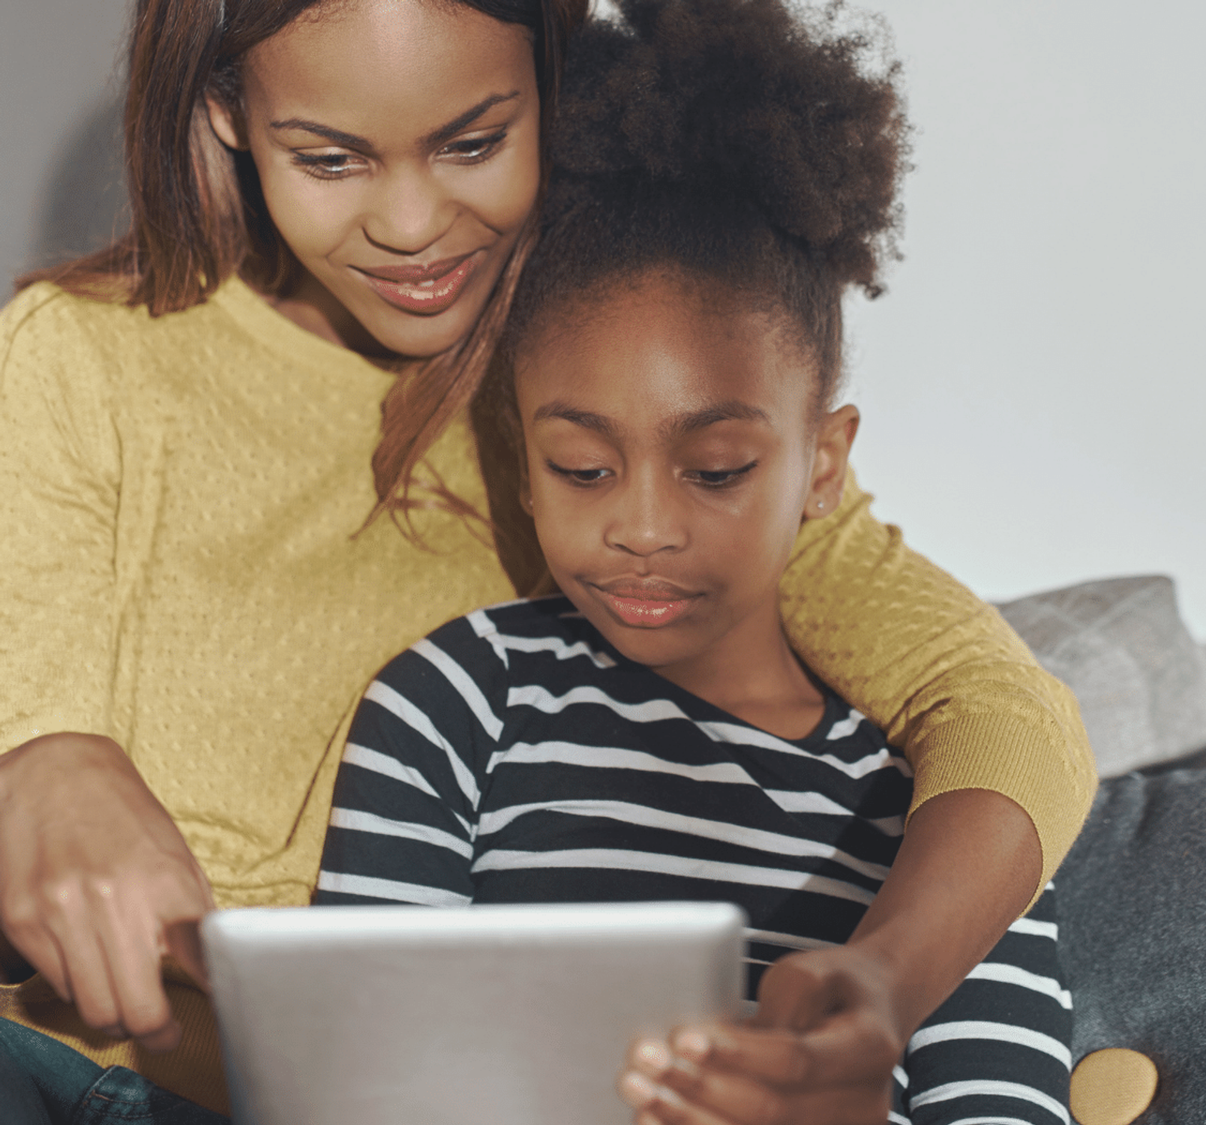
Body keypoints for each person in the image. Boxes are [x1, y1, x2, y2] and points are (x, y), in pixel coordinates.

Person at [0, 0, 1094, 1119]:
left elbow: (1008, 718)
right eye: (330, 159)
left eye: (473, 142)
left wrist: (882, 987)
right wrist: (36, 751)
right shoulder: (79, 366)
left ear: (551, 88)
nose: (413, 224)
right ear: (230, 114)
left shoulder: (612, 390)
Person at [318, 4, 1075, 1124]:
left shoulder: (939, 825)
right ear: (521, 463)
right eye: (581, 467)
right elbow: (360, 1082)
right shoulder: (458, 704)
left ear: (823, 467)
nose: (643, 528)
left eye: (715, 469)